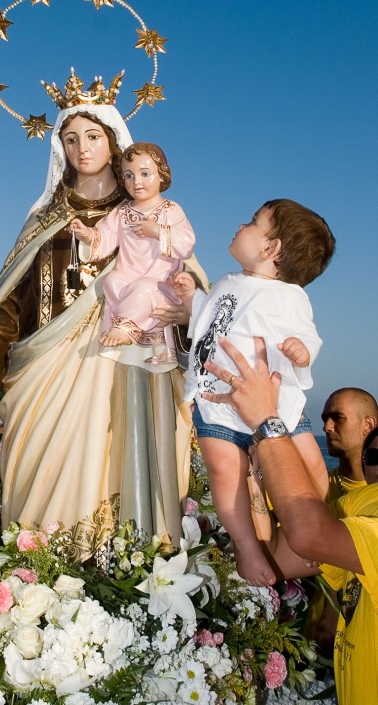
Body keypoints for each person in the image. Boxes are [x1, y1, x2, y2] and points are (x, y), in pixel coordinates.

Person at [0, 96, 202, 560]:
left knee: (121, 466)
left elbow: (188, 281)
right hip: (47, 370)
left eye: (93, 136)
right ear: (59, 147)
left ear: (115, 143)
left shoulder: (147, 215)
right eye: (70, 138)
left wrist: (187, 309)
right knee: (42, 495)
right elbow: (12, 302)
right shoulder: (45, 221)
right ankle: (41, 575)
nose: (82, 148)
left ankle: (126, 577)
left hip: (125, 366)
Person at [203, 336, 378, 705]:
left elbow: (309, 535)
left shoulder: (362, 508)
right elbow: (275, 556)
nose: (372, 459)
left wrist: (267, 421)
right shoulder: (355, 506)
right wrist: (249, 471)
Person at [172, 199, 335, 585]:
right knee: (224, 472)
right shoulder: (228, 283)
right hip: (217, 401)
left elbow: (310, 336)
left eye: (253, 222)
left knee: (311, 464)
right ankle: (246, 545)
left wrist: (301, 348)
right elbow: (207, 322)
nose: (240, 225)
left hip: (273, 405)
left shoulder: (290, 296)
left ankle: (317, 527)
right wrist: (191, 298)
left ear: (270, 249)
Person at [71, 142, 195, 363]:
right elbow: (105, 236)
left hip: (160, 284)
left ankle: (124, 329)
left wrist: (157, 231)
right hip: (127, 277)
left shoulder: (170, 209)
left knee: (143, 288)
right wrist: (87, 235)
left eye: (145, 174)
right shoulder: (122, 212)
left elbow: (186, 244)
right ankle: (124, 326)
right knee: (112, 280)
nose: (136, 182)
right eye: (129, 175)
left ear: (161, 176)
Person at [304, 386, 378, 655]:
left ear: (368, 424)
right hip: (312, 643)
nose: (326, 426)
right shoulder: (315, 486)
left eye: (337, 417)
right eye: (324, 418)